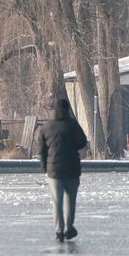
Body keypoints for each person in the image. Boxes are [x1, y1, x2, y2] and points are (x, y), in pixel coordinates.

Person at [38, 96, 88, 242]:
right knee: (70, 201)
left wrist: (44, 168)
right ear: (67, 109)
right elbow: (82, 143)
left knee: (57, 201)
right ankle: (69, 228)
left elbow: (41, 151)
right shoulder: (73, 125)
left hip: (53, 171)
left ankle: (59, 231)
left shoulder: (46, 127)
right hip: (72, 170)